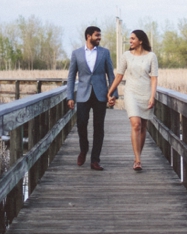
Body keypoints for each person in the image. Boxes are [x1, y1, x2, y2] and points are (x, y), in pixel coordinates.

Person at [67, 26, 117, 171]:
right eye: (97, 35)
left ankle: (95, 160)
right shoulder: (76, 53)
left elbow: (111, 75)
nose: (99, 38)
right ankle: (84, 149)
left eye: (100, 35)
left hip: (100, 94)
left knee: (98, 127)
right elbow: (71, 77)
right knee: (81, 124)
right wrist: (70, 96)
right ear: (88, 36)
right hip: (83, 95)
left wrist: (113, 94)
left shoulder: (104, 53)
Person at [107, 30, 158, 171]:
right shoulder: (126, 56)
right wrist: (109, 92)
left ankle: (138, 156)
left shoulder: (151, 57)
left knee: (143, 126)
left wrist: (152, 96)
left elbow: (154, 78)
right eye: (130, 38)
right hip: (131, 92)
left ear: (141, 41)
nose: (130, 41)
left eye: (133, 38)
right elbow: (119, 76)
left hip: (146, 93)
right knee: (136, 124)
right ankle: (137, 160)